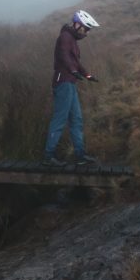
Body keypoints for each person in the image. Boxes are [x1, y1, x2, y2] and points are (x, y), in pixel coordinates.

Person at [42, 9, 101, 166]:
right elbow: (64, 56)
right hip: (63, 82)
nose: (87, 32)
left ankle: (80, 156)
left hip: (70, 83)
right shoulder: (65, 37)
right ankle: (48, 157)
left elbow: (75, 62)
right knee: (60, 119)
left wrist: (87, 75)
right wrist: (73, 71)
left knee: (77, 119)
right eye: (86, 28)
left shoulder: (72, 40)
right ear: (77, 24)